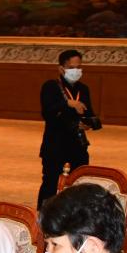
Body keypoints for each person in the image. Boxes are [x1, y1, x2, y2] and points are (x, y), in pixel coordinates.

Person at [38, 48, 98, 207]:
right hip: (55, 145)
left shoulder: (83, 89)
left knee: (78, 185)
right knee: (51, 184)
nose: (76, 71)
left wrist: (88, 123)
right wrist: (68, 103)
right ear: (61, 69)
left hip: (78, 145)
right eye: (72, 68)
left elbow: (91, 114)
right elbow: (48, 113)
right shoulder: (51, 87)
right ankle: (44, 216)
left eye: (79, 67)